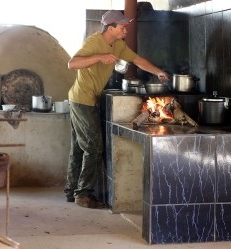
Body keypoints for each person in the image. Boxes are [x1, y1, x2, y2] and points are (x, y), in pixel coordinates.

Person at [64, 10, 169, 208]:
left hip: (86, 99)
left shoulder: (119, 45)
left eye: (126, 26)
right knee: (94, 147)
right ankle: (83, 195)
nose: (126, 29)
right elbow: (72, 64)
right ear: (110, 27)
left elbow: (137, 60)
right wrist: (99, 56)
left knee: (80, 146)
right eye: (122, 26)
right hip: (81, 99)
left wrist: (158, 72)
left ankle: (72, 191)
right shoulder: (95, 42)